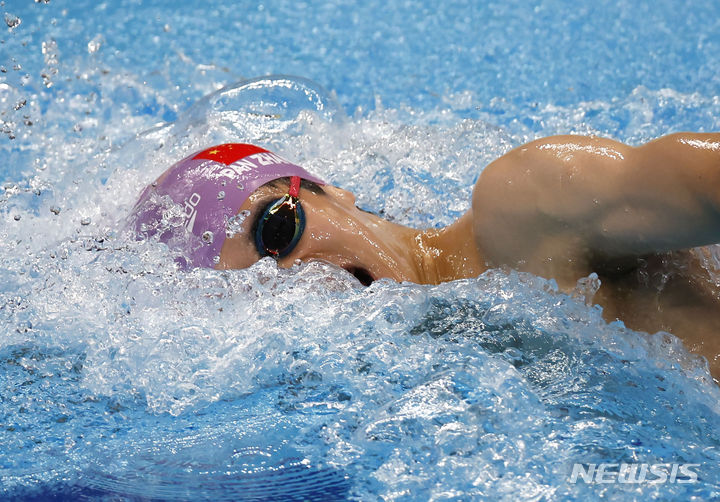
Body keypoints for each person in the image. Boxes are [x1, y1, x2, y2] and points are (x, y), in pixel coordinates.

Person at [130, 135, 720, 381]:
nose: (295, 279)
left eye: (277, 232)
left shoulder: (525, 206)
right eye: (254, 291)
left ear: (332, 192)